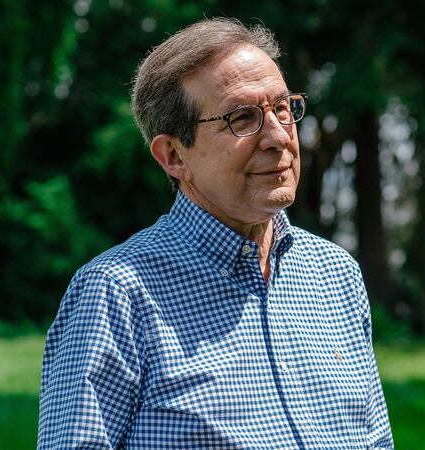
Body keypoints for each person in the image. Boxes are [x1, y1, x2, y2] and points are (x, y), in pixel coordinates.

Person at [37, 18, 393, 449]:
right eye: (242, 118)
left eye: (283, 108)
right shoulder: (116, 295)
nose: (278, 137)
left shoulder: (335, 274)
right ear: (173, 155)